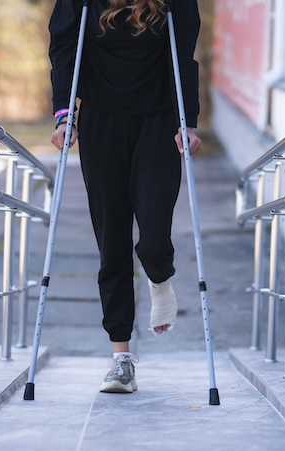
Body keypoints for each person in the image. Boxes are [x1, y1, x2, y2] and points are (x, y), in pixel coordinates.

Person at [49, 0, 202, 393]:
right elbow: (65, 48)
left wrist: (189, 122)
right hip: (102, 120)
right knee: (112, 242)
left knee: (152, 237)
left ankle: (159, 279)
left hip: (159, 120)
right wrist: (65, 115)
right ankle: (121, 358)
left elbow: (184, 54)